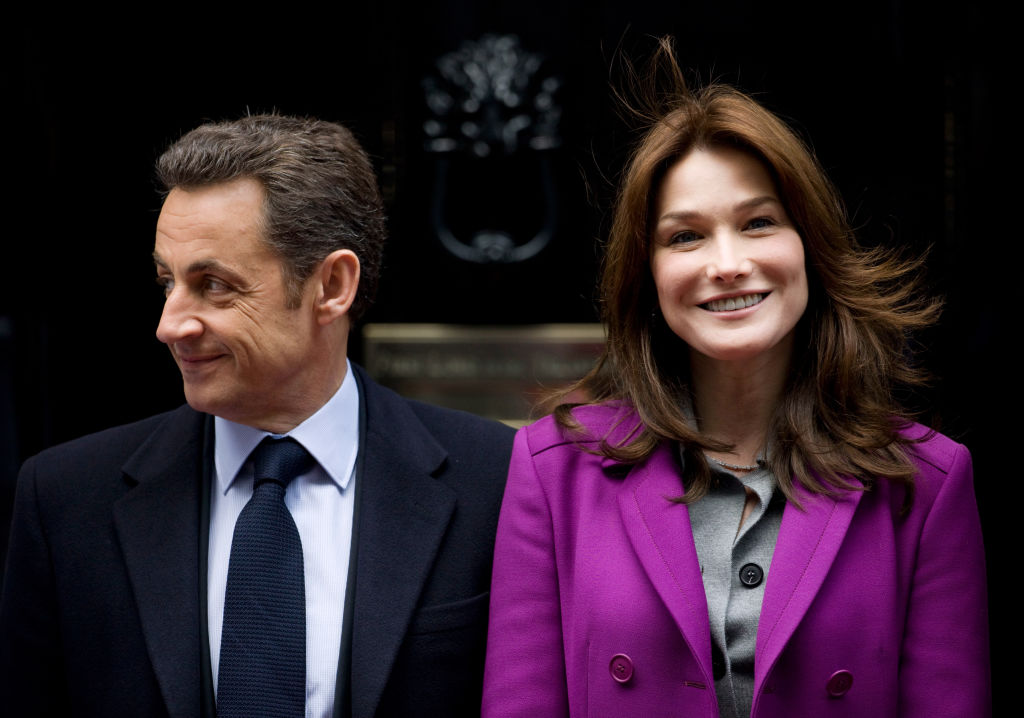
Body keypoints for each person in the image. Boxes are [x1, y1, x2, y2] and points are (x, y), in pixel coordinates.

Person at [482, 39, 990, 718]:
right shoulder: (554, 472)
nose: (727, 263)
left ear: (808, 245)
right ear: (648, 275)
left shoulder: (925, 483)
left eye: (758, 223)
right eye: (685, 237)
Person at [0, 114, 514, 718]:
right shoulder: (64, 500)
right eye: (168, 282)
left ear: (332, 285)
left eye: (214, 285)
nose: (170, 325)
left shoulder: (497, 484)